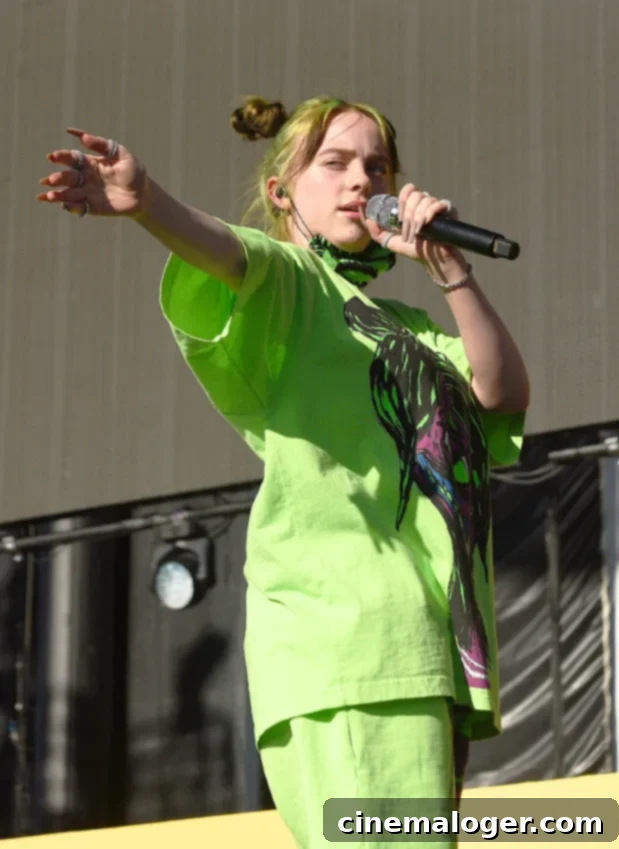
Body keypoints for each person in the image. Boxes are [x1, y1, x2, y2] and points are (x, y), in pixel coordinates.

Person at [37, 95, 530, 849]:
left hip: (423, 651)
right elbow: (232, 252)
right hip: (350, 647)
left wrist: (451, 267)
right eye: (333, 163)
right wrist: (148, 204)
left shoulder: (415, 330)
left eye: (377, 166)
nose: (361, 180)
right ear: (280, 192)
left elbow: (500, 394)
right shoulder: (296, 286)